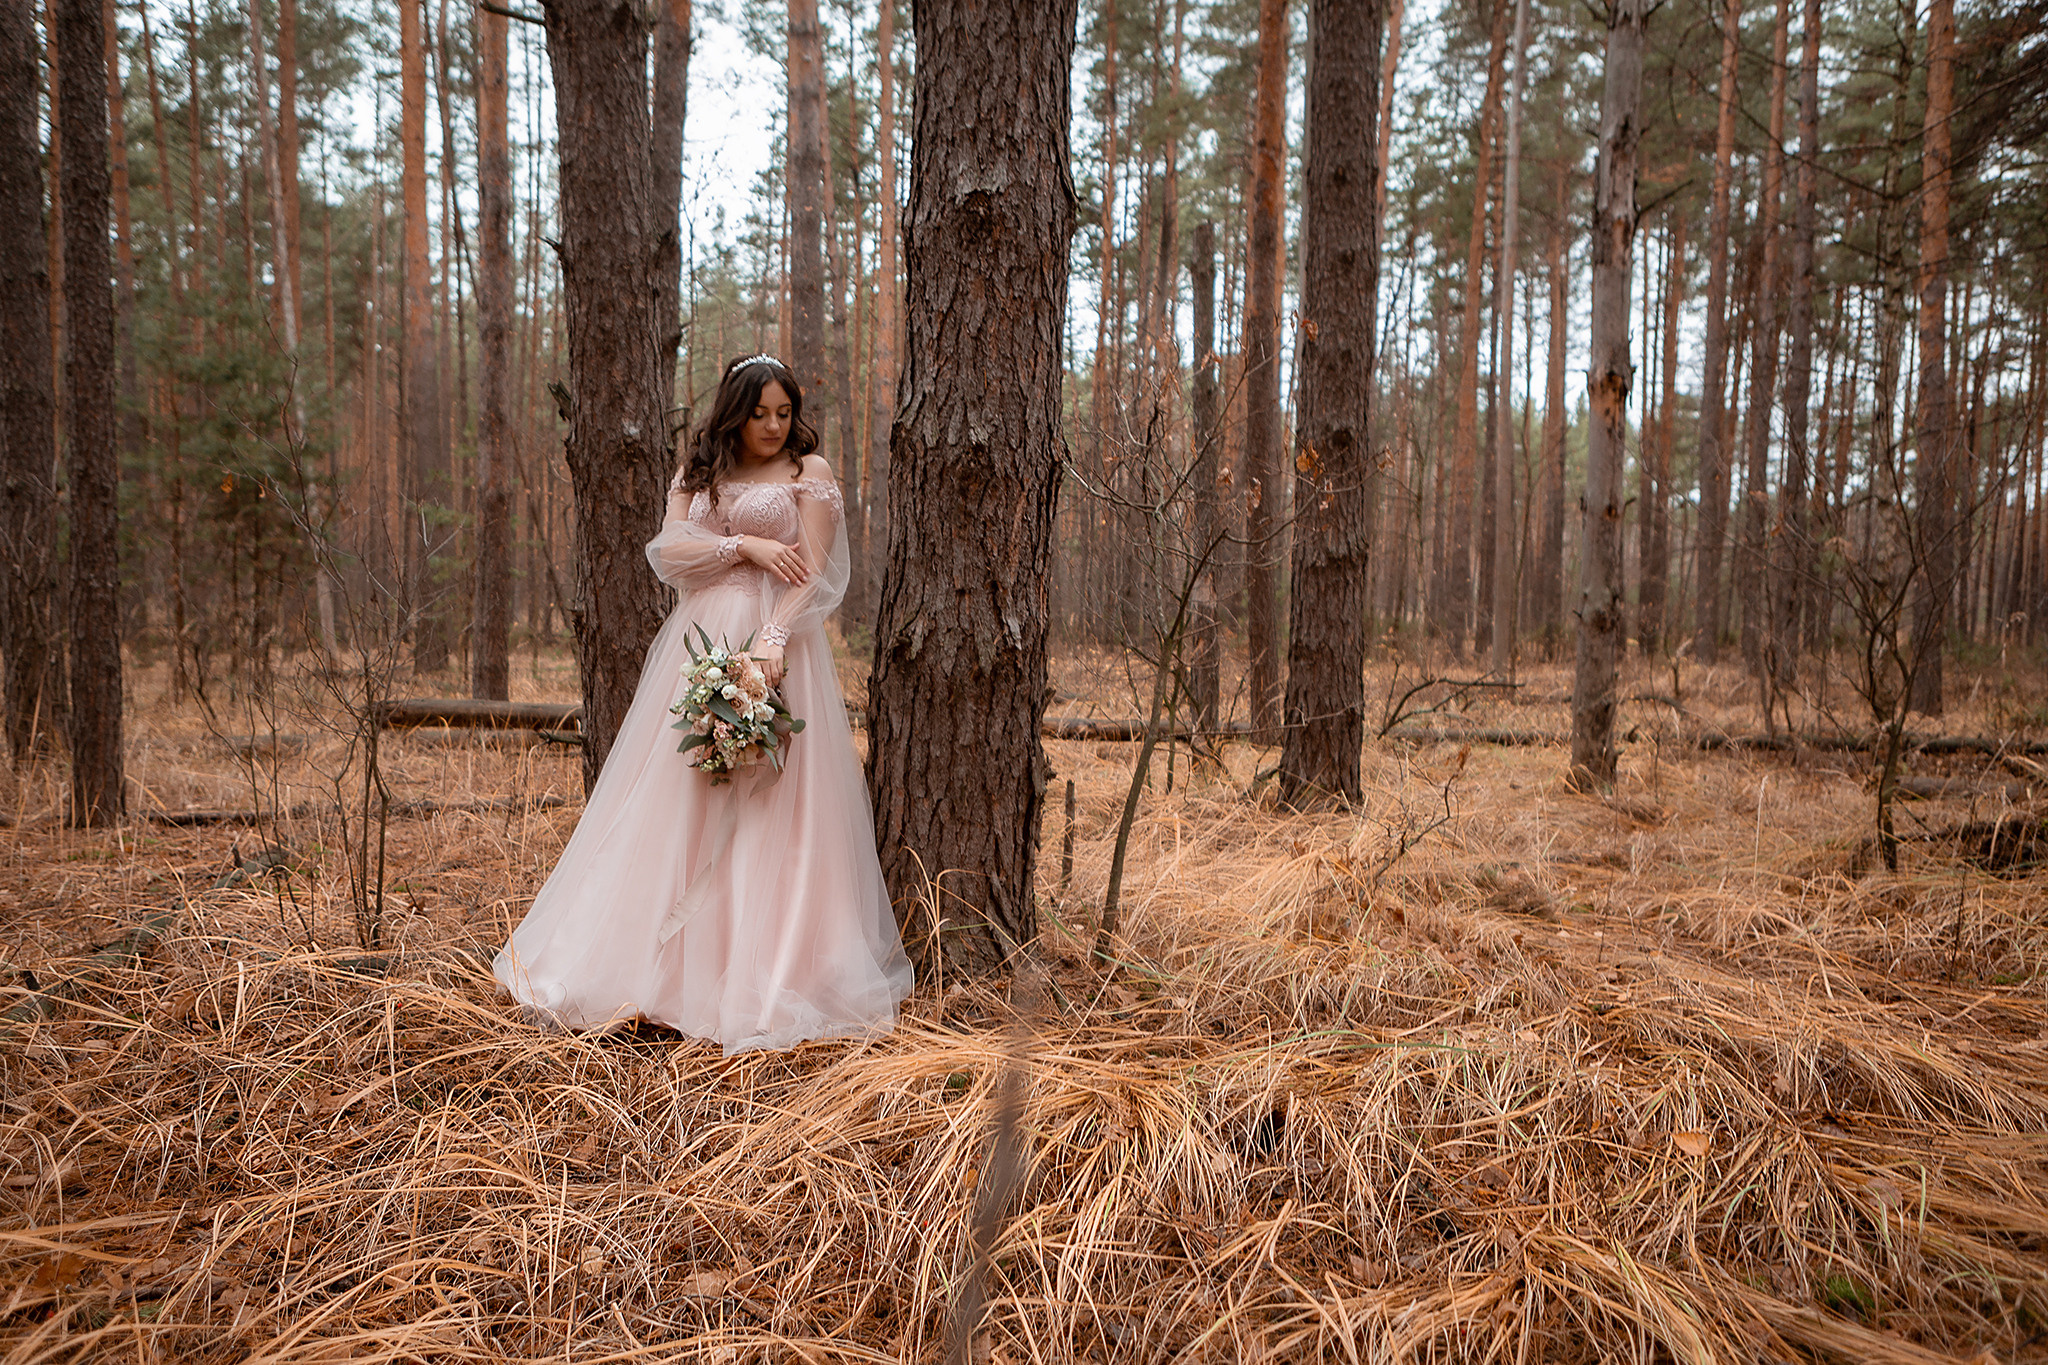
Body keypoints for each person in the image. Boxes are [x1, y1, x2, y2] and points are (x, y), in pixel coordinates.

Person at [494, 354, 913, 1053]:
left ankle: (766, 971)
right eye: (760, 413)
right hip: (700, 646)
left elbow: (812, 569)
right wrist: (742, 542)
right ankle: (658, 968)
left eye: (784, 412)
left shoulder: (810, 472)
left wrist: (772, 641)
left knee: (772, 802)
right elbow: (671, 553)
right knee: (683, 796)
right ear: (734, 410)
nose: (774, 425)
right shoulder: (698, 473)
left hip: (780, 644)